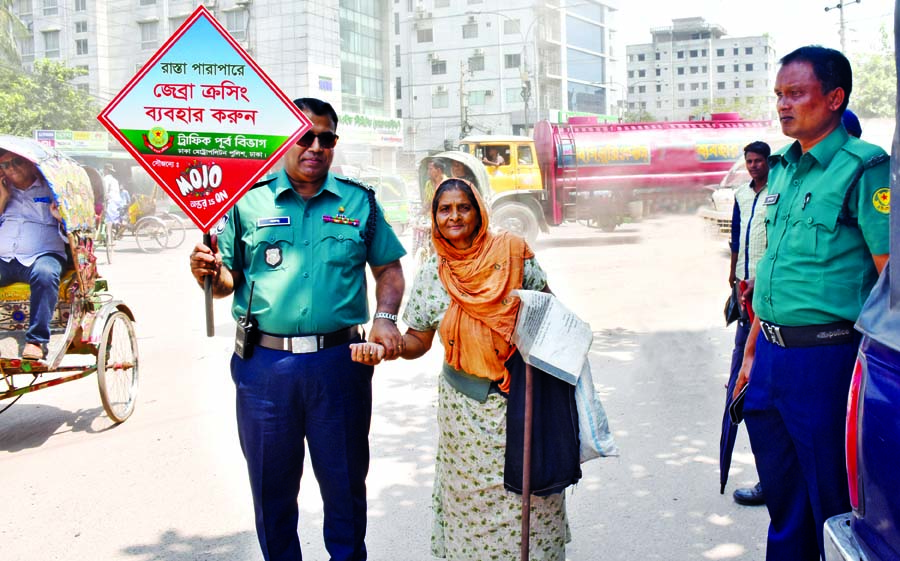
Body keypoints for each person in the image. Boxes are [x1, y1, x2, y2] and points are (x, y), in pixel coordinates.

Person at [188, 97, 406, 561]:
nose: (314, 146)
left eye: (325, 138)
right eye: (304, 136)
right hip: (266, 367)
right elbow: (227, 281)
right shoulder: (246, 200)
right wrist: (208, 272)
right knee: (272, 493)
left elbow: (388, 267)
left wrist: (385, 318)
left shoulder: (358, 201)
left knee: (345, 489)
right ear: (284, 139)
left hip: (339, 366)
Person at [350, 178, 572, 560]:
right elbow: (418, 339)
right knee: (471, 509)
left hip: (521, 402)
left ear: (479, 210)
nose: (454, 216)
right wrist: (390, 348)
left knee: (531, 502)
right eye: (444, 209)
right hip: (464, 415)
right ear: (435, 218)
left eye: (463, 207)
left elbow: (549, 314)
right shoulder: (434, 271)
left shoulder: (513, 254)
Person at [733, 46, 890, 560]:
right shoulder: (781, 170)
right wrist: (752, 355)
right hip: (771, 358)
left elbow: (891, 277)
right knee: (784, 503)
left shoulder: (863, 170)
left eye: (795, 93)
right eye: (779, 95)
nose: (783, 105)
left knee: (832, 504)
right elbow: (773, 274)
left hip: (827, 361)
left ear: (834, 97)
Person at [724, 141, 771, 507]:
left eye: (759, 161)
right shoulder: (742, 194)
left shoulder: (779, 191)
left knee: (756, 376)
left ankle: (771, 476)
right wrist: (732, 273)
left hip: (770, 294)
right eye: (749, 161)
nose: (753, 166)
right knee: (744, 372)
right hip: (744, 290)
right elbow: (737, 237)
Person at [0, 149, 66, 361]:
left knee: (45, 274)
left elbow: (74, 232)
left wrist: (60, 218)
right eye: (5, 165)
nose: (12, 168)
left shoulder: (52, 189)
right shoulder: (1, 190)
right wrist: (3, 198)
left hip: (43, 255)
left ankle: (36, 341)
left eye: (16, 162)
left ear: (29, 163)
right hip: (5, 258)